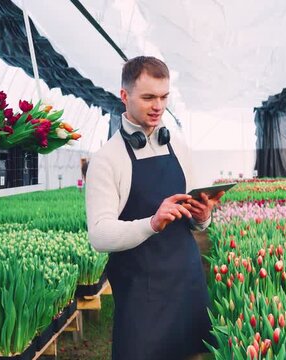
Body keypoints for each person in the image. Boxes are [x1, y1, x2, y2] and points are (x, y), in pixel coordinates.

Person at [86, 56, 224, 360]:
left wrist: (202, 218)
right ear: (124, 96)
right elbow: (99, 235)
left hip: (185, 276)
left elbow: (193, 216)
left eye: (164, 97)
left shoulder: (178, 144)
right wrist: (151, 222)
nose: (158, 106)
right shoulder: (107, 160)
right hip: (141, 288)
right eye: (148, 97)